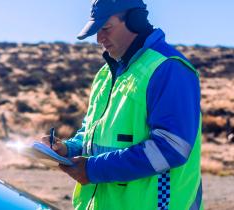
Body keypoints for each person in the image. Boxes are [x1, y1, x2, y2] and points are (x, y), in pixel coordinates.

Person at [41, 0, 203, 209]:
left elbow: (172, 147)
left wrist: (93, 169)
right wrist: (66, 149)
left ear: (135, 21)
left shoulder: (169, 69)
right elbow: (91, 134)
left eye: (105, 28)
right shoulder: (105, 75)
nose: (99, 38)